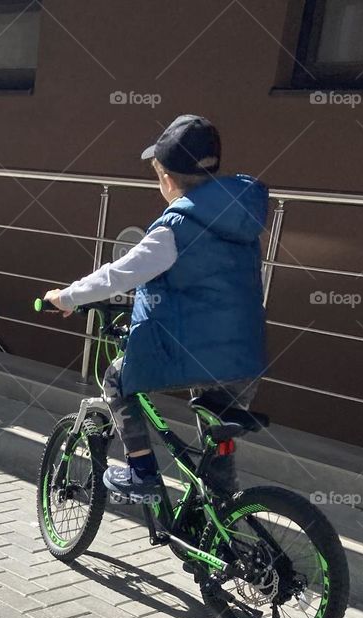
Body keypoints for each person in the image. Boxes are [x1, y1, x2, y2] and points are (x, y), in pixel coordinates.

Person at [44, 114, 268, 499]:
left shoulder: (176, 226)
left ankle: (142, 472)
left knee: (116, 380)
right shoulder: (240, 218)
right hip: (245, 355)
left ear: (166, 178)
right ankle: (224, 524)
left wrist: (65, 296)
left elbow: (120, 275)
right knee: (216, 429)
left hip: (197, 353)